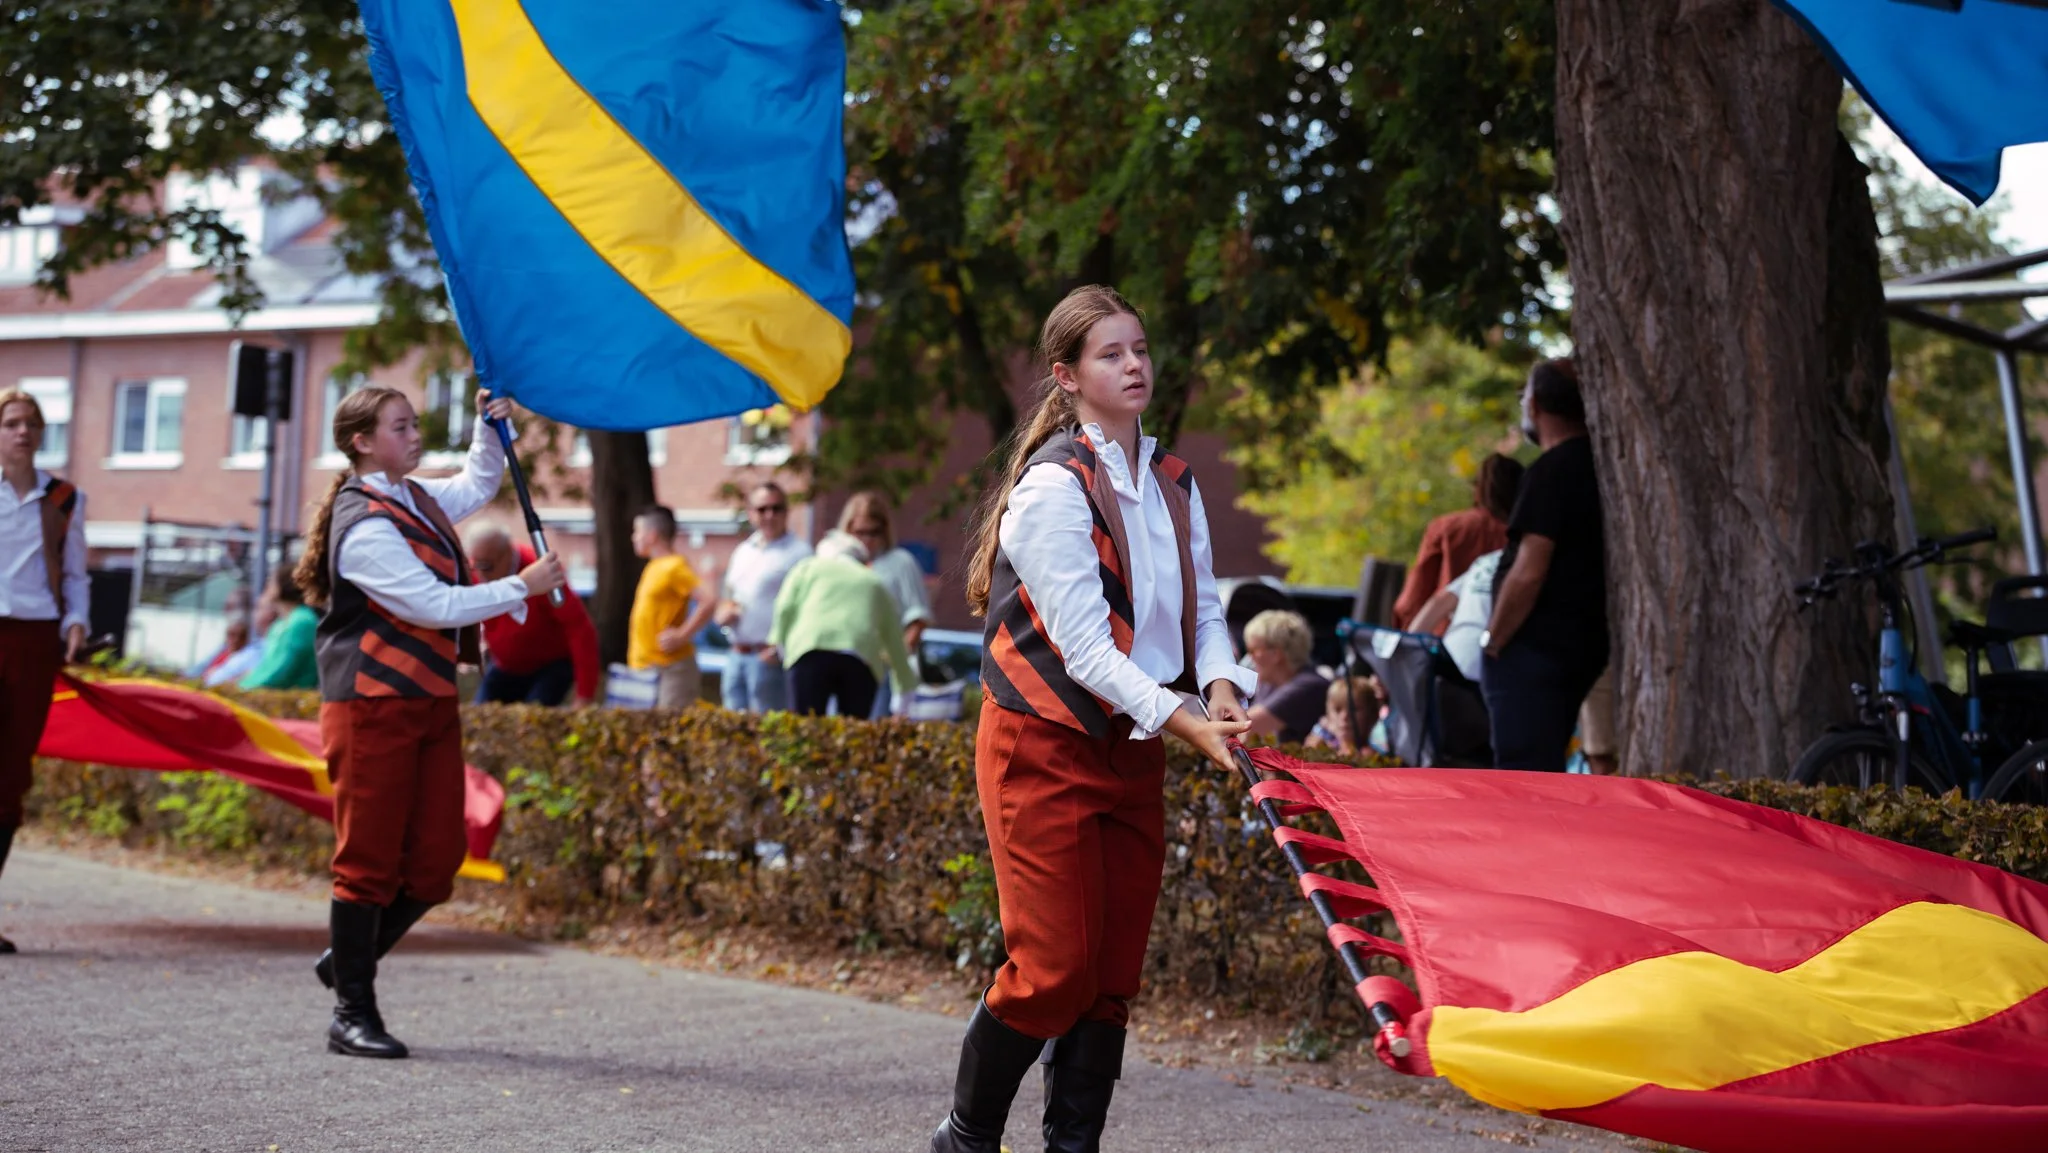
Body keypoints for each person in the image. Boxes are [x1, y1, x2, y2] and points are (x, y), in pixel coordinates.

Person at [930, 285, 1255, 1153]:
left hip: (1133, 745)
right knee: (1052, 971)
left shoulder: (1175, 482)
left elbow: (1204, 612)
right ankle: (963, 1140)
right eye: (1112, 354)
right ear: (1066, 377)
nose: (1136, 365)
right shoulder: (1052, 489)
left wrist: (1219, 683)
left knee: (1110, 977)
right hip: (1043, 742)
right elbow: (1085, 651)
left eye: (1141, 349)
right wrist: (1183, 719)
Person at [294, 384, 565, 1059]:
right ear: (362, 441)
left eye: (415, 423)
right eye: (401, 426)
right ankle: (351, 1009)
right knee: (367, 861)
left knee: (439, 859)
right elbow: (429, 603)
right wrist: (520, 588)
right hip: (369, 705)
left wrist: (487, 423)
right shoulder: (362, 523)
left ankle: (347, 958)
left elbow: (477, 481)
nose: (415, 434)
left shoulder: (412, 496)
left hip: (428, 700)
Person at [1481, 358, 1608, 773]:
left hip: (1536, 651)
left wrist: (1495, 639)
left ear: (1535, 405)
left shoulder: (1551, 471)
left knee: (1524, 776)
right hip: (1577, 645)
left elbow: (1530, 569)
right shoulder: (1597, 466)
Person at [0, 387, 90, 955]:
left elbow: (77, 572)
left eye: (31, 423)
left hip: (34, 641)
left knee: (9, 779)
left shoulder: (63, 496)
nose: (22, 432)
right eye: (11, 422)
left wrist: (76, 620)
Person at [765, 530, 918, 718]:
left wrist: (778, 642)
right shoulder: (873, 581)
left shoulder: (808, 567)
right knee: (852, 732)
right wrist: (904, 686)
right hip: (860, 658)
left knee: (804, 727)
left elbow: (784, 606)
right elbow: (894, 638)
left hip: (810, 650)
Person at [468, 524, 601, 706]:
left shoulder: (541, 572)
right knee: (479, 714)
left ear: (507, 553)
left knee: (533, 718)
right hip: (507, 665)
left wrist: (584, 694)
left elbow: (578, 627)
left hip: (549, 664)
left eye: (487, 566)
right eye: (476, 566)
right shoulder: (477, 572)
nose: (481, 575)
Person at [1391, 453, 1524, 629]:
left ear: (1478, 490)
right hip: (1506, 639)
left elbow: (1413, 598)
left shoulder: (1447, 528)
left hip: (1446, 636)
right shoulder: (1528, 538)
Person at [715, 483, 810, 713]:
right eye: (762, 509)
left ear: (787, 512)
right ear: (750, 513)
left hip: (769, 658)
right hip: (736, 653)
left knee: (770, 733)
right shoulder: (743, 551)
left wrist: (780, 649)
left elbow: (808, 608)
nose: (769, 515)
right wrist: (723, 614)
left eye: (776, 508)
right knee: (732, 733)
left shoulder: (800, 553)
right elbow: (729, 594)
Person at [838, 491, 934, 716]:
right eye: (860, 533)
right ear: (847, 531)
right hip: (842, 662)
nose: (867, 540)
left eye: (874, 532)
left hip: (881, 666)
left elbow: (918, 618)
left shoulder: (900, 562)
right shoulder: (839, 564)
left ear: (885, 530)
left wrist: (898, 655)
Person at [627, 506, 716, 710]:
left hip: (671, 668)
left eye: (637, 531)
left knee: (669, 733)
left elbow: (708, 600)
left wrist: (682, 635)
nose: (634, 537)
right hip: (646, 666)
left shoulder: (674, 566)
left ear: (652, 535)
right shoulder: (653, 566)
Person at [1241, 609, 1329, 745]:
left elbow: (1242, 728)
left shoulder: (1309, 687)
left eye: (1253, 650)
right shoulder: (1269, 684)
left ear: (1276, 654)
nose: (1249, 658)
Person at [241, 565, 319, 691]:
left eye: (272, 582)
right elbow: (266, 666)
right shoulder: (279, 624)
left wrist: (245, 688)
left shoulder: (303, 621)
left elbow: (282, 670)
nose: (268, 587)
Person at [1307, 675, 1386, 757]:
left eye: (1353, 709)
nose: (1344, 717)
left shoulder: (1376, 758)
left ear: (1371, 713)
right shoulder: (1318, 749)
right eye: (1337, 709)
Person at [192, 617, 254, 682]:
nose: (236, 640)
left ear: (246, 639)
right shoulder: (220, 653)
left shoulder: (248, 659)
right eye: (232, 634)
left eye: (241, 636)